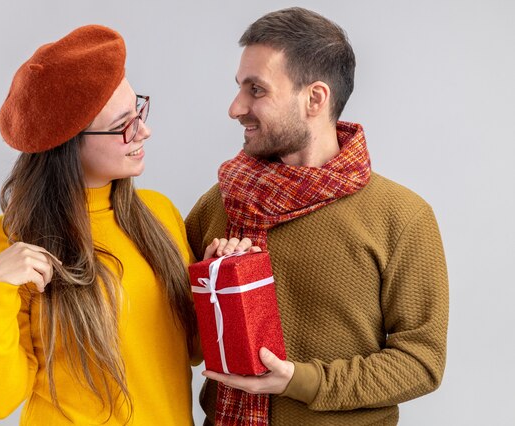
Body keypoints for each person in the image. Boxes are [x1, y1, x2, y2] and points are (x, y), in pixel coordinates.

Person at [0, 25, 254, 425]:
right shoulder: (7, 243)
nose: (143, 131)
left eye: (139, 111)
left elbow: (191, 350)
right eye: (123, 125)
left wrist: (214, 282)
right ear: (68, 143)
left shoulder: (158, 214)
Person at [185, 7, 449, 426]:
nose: (235, 108)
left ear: (315, 98)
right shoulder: (220, 203)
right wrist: (214, 287)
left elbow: (422, 361)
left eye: (256, 90)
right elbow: (183, 341)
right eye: (239, 88)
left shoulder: (401, 217)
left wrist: (299, 381)